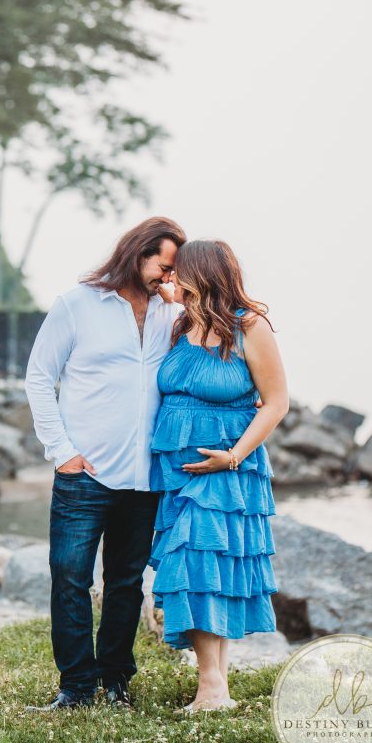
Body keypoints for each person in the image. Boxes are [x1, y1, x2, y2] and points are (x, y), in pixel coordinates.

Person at [24, 216, 187, 711]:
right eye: (163, 266)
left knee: (125, 582)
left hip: (145, 476)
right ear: (137, 254)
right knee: (70, 576)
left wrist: (178, 303)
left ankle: (115, 681)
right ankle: (75, 687)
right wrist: (62, 452)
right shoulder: (77, 304)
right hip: (85, 474)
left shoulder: (171, 313)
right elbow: (38, 377)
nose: (168, 276)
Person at [148, 239, 289, 714]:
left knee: (200, 565)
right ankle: (217, 687)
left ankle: (210, 687)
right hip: (175, 472)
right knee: (209, 571)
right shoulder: (182, 324)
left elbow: (276, 403)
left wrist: (231, 456)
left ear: (201, 273)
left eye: (177, 271)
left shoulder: (248, 326)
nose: (170, 279)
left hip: (226, 469)